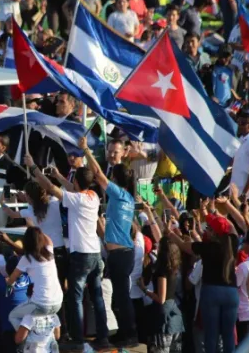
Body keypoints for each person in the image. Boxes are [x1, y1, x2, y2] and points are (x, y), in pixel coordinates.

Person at [24, 154, 109, 351]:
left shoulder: (76, 199)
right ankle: (103, 337)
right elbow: (69, 188)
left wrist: (33, 167)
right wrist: (60, 175)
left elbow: (50, 188)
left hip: (81, 255)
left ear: (77, 181)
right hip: (96, 253)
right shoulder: (93, 196)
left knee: (74, 298)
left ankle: (77, 338)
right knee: (97, 297)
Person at [80, 136, 138, 348]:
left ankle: (130, 334)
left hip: (121, 255)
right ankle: (124, 333)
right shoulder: (127, 197)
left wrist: (86, 149)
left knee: (121, 298)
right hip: (119, 254)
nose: (109, 179)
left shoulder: (120, 193)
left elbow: (98, 174)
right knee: (118, 298)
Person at [169, 203, 239, 353]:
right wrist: (216, 210)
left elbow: (183, 245)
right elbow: (231, 226)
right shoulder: (233, 242)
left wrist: (169, 233)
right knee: (228, 337)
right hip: (231, 293)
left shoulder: (206, 247)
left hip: (211, 292)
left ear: (213, 233)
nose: (206, 230)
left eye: (208, 228)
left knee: (211, 335)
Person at [137, 237, 185, 353]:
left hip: (163, 317)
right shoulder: (176, 269)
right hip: (175, 315)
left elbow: (161, 298)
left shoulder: (162, 271)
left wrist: (144, 289)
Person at [232, 110, 249, 217]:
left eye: (243, 123)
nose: (239, 125)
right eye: (239, 122)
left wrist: (244, 193)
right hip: (237, 193)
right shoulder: (241, 140)